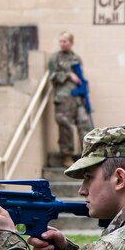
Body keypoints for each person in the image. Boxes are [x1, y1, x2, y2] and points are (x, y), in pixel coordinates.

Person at [48, 32, 94, 168]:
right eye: (60, 41)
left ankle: (88, 155)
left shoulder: (76, 58)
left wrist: (85, 96)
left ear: (71, 43)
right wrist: (68, 75)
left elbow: (81, 79)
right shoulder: (54, 58)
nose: (62, 43)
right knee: (65, 127)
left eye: (65, 41)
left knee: (84, 123)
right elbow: (52, 76)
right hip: (63, 99)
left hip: (77, 98)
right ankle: (66, 156)